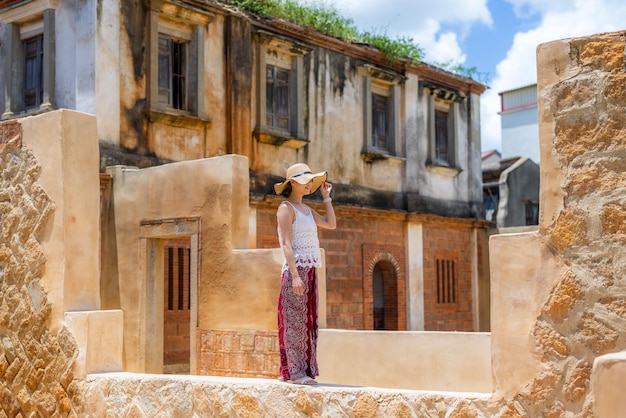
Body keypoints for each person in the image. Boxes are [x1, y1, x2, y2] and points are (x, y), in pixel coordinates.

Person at [274, 163, 336, 385]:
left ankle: (306, 370)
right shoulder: (285, 209)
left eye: (312, 180)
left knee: (308, 321)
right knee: (293, 322)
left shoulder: (307, 210)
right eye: (306, 180)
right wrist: (295, 275)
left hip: (310, 270)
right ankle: (294, 372)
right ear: (292, 183)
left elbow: (331, 224)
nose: (311, 183)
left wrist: (326, 197)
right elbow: (286, 244)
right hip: (296, 271)